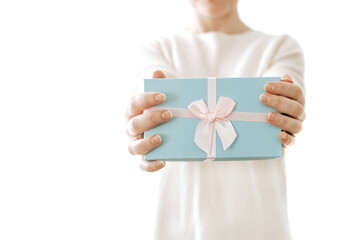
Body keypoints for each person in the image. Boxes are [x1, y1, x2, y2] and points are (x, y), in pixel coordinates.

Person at [125, 0, 306, 239]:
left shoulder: (280, 47)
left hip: (260, 225)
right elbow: (152, 82)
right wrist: (143, 125)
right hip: (181, 225)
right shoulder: (156, 50)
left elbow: (286, 87)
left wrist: (291, 105)